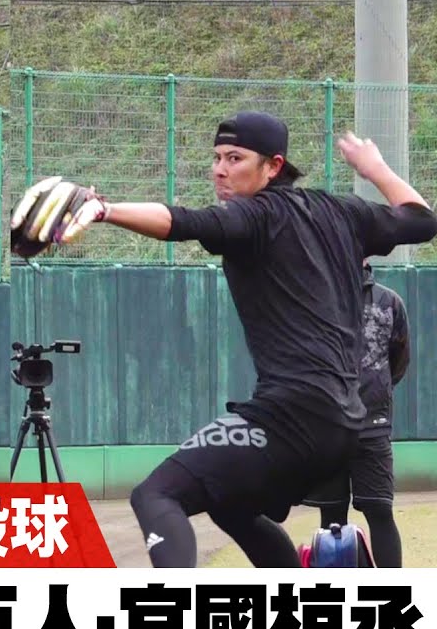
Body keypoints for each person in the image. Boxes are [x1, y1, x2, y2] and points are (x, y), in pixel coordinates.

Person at [52, 111, 436, 567]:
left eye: (235, 158)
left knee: (155, 494)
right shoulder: (341, 212)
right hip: (343, 423)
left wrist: (104, 210)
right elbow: (421, 220)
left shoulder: (255, 216)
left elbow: (183, 222)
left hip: (292, 415)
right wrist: (375, 169)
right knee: (229, 501)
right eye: (217, 157)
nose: (220, 169)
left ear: (273, 166)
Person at [301, 260, 409, 567]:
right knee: (331, 515)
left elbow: (398, 360)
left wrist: (372, 392)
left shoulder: (389, 302)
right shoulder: (312, 299)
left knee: (380, 510)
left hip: (372, 425)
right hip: (327, 425)